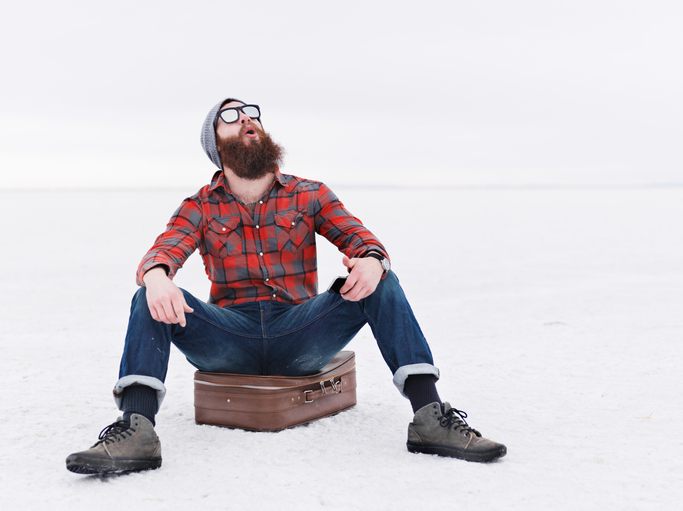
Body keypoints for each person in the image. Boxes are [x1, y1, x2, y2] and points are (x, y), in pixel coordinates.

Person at [66, 98, 506, 474]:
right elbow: (165, 249)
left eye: (251, 113)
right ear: (217, 146)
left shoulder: (309, 194)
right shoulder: (199, 206)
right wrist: (158, 276)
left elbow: (361, 237)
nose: (247, 119)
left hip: (299, 331)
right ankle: (137, 431)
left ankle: (429, 417)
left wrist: (372, 261)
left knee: (383, 281)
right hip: (228, 337)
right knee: (150, 294)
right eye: (231, 117)